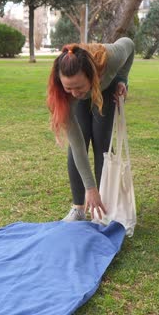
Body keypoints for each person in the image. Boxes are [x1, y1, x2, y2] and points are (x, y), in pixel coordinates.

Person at [46, 37, 135, 222]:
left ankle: (106, 207)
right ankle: (79, 209)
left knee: (102, 142)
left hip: (106, 88)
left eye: (78, 87)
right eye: (68, 87)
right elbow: (78, 145)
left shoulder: (111, 57)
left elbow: (129, 44)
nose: (74, 93)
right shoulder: (66, 95)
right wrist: (90, 188)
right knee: (79, 142)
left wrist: (121, 79)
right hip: (85, 93)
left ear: (90, 75)